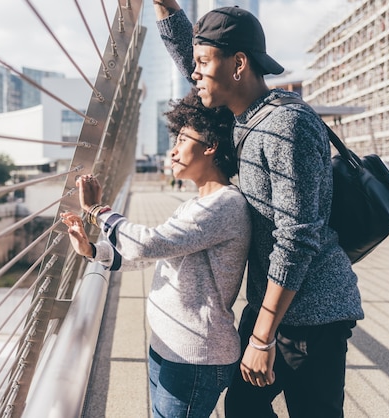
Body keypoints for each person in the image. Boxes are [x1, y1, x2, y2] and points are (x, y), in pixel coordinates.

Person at [152, 2, 365, 418]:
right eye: (194, 63)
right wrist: (166, 8)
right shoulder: (241, 115)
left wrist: (262, 337)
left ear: (238, 64)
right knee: (243, 409)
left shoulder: (288, 124)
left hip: (312, 314)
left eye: (203, 62)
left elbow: (298, 236)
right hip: (271, 304)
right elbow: (192, 62)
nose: (194, 73)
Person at [61, 90, 252, 418]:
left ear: (210, 146)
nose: (173, 150)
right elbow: (150, 254)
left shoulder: (226, 205)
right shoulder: (196, 204)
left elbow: (147, 243)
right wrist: (93, 250)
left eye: (182, 139)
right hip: (168, 347)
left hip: (195, 358)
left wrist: (97, 210)